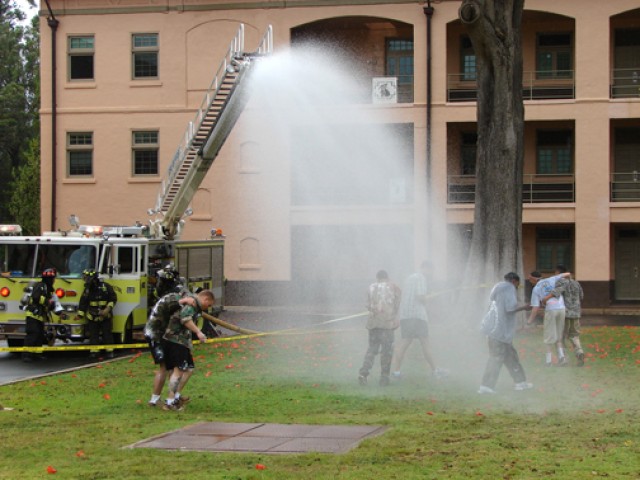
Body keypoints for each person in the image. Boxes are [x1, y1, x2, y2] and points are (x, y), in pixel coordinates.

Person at [391, 261, 447, 380]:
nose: (431, 273)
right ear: (426, 268)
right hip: (417, 315)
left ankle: (396, 372)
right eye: (431, 270)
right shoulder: (421, 278)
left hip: (406, 315)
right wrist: (429, 298)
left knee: (405, 342)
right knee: (425, 343)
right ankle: (435, 370)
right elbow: (420, 297)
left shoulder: (409, 278)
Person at [478, 272, 533, 394]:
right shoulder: (509, 287)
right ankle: (486, 387)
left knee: (511, 357)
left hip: (498, 331)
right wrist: (525, 307)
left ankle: (520, 382)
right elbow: (510, 308)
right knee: (496, 358)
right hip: (499, 332)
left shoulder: (497, 287)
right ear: (514, 281)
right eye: (517, 284)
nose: (517, 287)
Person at [162, 289, 214, 411]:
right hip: (175, 340)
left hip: (181, 341)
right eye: (209, 304)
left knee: (189, 369)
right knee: (178, 371)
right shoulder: (193, 304)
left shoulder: (193, 302)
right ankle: (169, 403)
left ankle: (176, 396)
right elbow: (185, 319)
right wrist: (198, 332)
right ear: (205, 299)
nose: (208, 308)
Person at [144, 291, 197, 407]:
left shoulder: (175, 299)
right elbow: (170, 306)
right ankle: (154, 400)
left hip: (161, 334)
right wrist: (184, 301)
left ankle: (174, 396)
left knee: (172, 367)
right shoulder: (172, 298)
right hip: (155, 334)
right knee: (163, 367)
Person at [358, 270, 401, 387]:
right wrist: (394, 317)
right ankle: (384, 378)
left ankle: (364, 373)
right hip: (387, 324)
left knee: (372, 349)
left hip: (373, 324)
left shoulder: (370, 287)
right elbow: (397, 304)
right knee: (387, 351)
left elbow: (368, 305)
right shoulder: (394, 287)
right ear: (387, 277)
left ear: (377, 278)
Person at [526, 270, 571, 366]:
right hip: (561, 308)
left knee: (549, 337)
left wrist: (529, 321)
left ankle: (548, 361)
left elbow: (535, 308)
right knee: (558, 335)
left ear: (534, 278)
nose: (529, 281)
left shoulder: (536, 288)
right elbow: (568, 274)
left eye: (530, 279)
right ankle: (562, 358)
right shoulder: (552, 279)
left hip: (551, 310)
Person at [543, 265, 585, 367]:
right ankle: (579, 351)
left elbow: (557, 292)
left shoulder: (561, 281)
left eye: (556, 273)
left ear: (559, 273)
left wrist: (545, 298)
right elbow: (581, 296)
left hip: (565, 313)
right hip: (576, 313)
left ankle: (564, 358)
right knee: (574, 335)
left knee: (560, 337)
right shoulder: (576, 283)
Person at [22, 268, 67, 362]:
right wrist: (47, 302)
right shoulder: (40, 286)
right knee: (32, 334)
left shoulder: (49, 290)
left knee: (39, 336)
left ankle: (37, 354)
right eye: (53, 278)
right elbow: (36, 297)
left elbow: (54, 304)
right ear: (49, 279)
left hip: (40, 317)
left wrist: (60, 313)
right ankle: (27, 355)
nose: (54, 280)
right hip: (33, 315)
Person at [77, 269, 117, 359]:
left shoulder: (106, 287)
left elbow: (113, 299)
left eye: (87, 278)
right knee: (93, 335)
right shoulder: (87, 290)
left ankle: (109, 352)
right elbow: (83, 302)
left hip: (105, 316)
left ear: (93, 278)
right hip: (92, 316)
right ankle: (94, 352)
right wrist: (80, 314)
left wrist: (107, 309)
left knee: (107, 334)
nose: (86, 280)